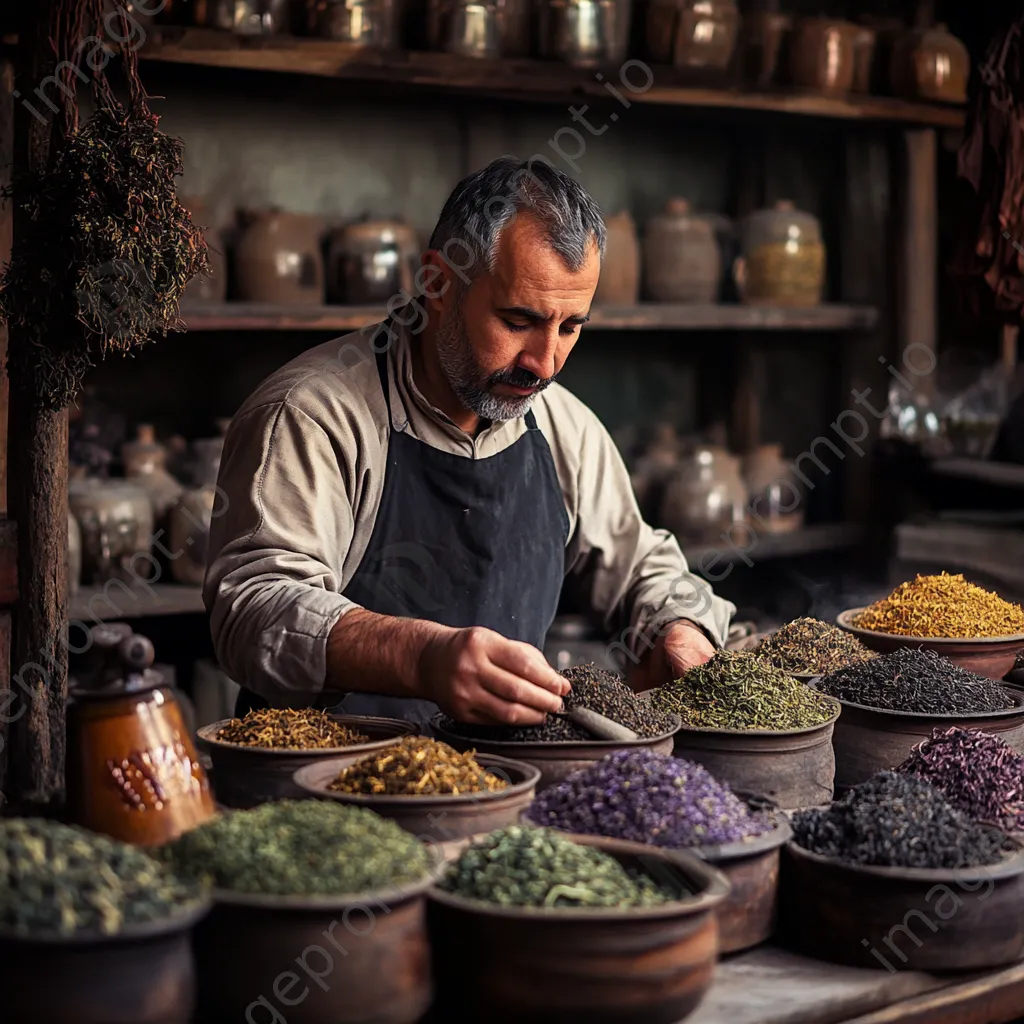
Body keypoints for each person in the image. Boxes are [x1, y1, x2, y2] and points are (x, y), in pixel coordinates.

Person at [205, 156, 735, 727]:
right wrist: (423, 657)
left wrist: (678, 626)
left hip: (500, 782)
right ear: (436, 282)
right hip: (328, 781)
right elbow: (255, 609)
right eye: (517, 320)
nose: (545, 362)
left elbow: (640, 567)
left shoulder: (561, 426)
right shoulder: (316, 413)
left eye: (571, 327)